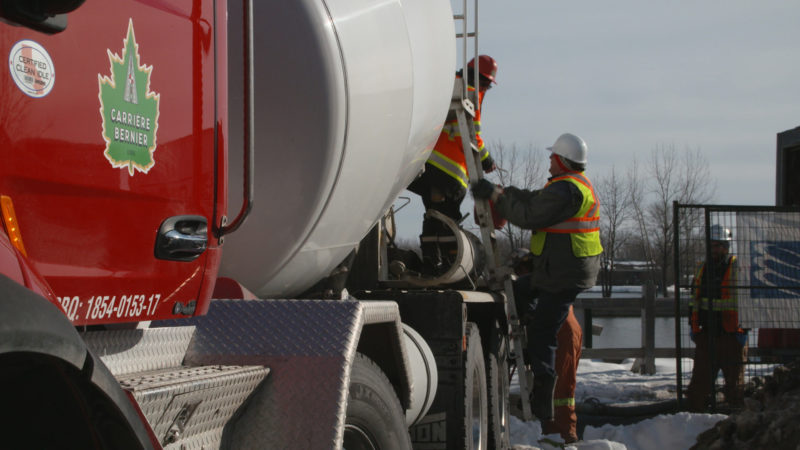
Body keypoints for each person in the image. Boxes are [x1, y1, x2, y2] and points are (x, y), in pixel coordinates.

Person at [471, 132, 602, 421]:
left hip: (561, 274)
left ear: (560, 160)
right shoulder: (570, 186)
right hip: (557, 271)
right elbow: (533, 199)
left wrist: (495, 198)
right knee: (519, 292)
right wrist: (504, 194)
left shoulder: (567, 190)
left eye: (551, 158)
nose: (548, 164)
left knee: (544, 333)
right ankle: (530, 337)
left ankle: (542, 398)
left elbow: (529, 216)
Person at [408, 55, 497, 274]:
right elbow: (472, 137)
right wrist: (486, 160)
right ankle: (451, 266)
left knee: (433, 216)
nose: (485, 88)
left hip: (425, 169)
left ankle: (431, 263)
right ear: (478, 78)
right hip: (450, 174)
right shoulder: (469, 95)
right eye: (485, 83)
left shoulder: (447, 87)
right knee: (448, 221)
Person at [511, 248, 582, 442]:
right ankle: (559, 433)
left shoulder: (537, 283)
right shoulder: (546, 278)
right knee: (562, 387)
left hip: (561, 334)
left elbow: (535, 314)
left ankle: (562, 436)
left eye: (519, 270)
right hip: (566, 330)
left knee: (559, 389)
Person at [686, 224, 748, 412]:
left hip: (732, 336)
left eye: (719, 245)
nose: (715, 249)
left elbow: (748, 301)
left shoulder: (738, 268)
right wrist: (694, 328)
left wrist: (744, 330)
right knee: (699, 387)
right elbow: (693, 302)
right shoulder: (702, 269)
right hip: (707, 336)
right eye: (712, 245)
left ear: (727, 247)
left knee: (734, 387)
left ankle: (736, 424)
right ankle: (694, 422)